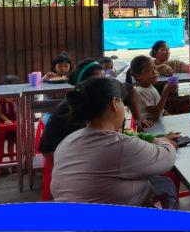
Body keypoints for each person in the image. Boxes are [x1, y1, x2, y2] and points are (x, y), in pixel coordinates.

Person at [51, 77, 180, 208]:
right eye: (123, 103)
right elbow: (167, 157)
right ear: (114, 104)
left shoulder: (68, 141)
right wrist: (163, 141)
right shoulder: (119, 146)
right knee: (163, 183)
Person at [38, 59, 122, 154]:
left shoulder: (92, 102)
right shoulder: (72, 107)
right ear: (83, 83)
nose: (103, 85)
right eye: (98, 81)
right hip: (60, 157)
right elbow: (48, 149)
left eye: (104, 79)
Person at [125, 55, 177, 125]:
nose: (154, 72)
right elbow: (156, 114)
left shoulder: (150, 86)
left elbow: (161, 110)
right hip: (151, 127)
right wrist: (165, 92)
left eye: (155, 68)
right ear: (138, 76)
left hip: (159, 124)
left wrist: (169, 116)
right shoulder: (141, 91)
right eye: (149, 70)